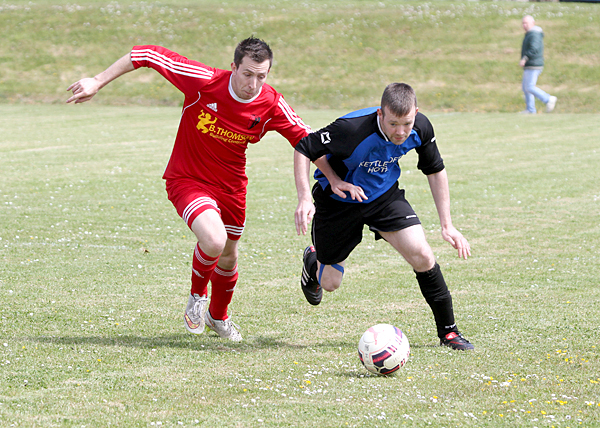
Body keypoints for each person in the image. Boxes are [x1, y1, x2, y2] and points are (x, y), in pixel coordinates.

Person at [67, 37, 310, 342]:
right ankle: (197, 297)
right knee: (214, 239)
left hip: (232, 187)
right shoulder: (204, 81)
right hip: (188, 178)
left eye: (262, 76)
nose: (253, 83)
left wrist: (313, 191)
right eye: (247, 74)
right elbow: (146, 53)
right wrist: (97, 81)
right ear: (233, 67)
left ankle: (218, 317)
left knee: (229, 255)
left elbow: (308, 140)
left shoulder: (271, 102)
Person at [294, 83, 474, 350]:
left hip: (383, 196)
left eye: (407, 123)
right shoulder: (351, 129)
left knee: (422, 255)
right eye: (393, 124)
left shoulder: (421, 127)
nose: (400, 132)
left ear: (416, 112)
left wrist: (447, 225)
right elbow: (305, 147)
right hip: (338, 202)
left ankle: (449, 332)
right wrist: (319, 188)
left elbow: (435, 170)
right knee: (330, 283)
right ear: (380, 114)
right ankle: (314, 260)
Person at [519, 15, 557, 114]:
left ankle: (548, 99)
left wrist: (525, 58)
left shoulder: (534, 34)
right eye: (523, 23)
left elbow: (534, 49)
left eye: (526, 23)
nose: (524, 25)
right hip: (530, 64)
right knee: (525, 87)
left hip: (534, 65)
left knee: (529, 87)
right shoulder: (530, 34)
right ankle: (530, 109)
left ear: (533, 23)